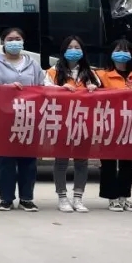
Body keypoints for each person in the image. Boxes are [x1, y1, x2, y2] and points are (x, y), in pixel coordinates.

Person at [0, 27, 44, 212]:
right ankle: (6, 199)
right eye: (10, 39)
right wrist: (6, 88)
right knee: (6, 161)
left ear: (23, 42)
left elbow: (41, 87)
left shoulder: (33, 64)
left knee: (29, 162)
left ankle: (27, 198)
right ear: (3, 42)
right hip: (5, 118)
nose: (14, 42)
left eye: (18, 39)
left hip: (28, 118)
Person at [44, 36, 101, 213]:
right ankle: (62, 197)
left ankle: (78, 198)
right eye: (70, 47)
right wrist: (61, 89)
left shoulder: (90, 73)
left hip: (84, 121)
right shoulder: (53, 71)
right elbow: (44, 89)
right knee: (61, 160)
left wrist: (94, 88)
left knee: (81, 161)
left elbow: (101, 91)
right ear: (63, 50)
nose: (74, 51)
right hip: (61, 121)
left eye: (77, 47)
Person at [95, 39, 132, 212]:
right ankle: (112, 197)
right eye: (118, 50)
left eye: (126, 50)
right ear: (111, 53)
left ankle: (124, 197)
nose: (122, 54)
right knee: (108, 162)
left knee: (128, 163)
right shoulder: (101, 74)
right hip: (109, 123)